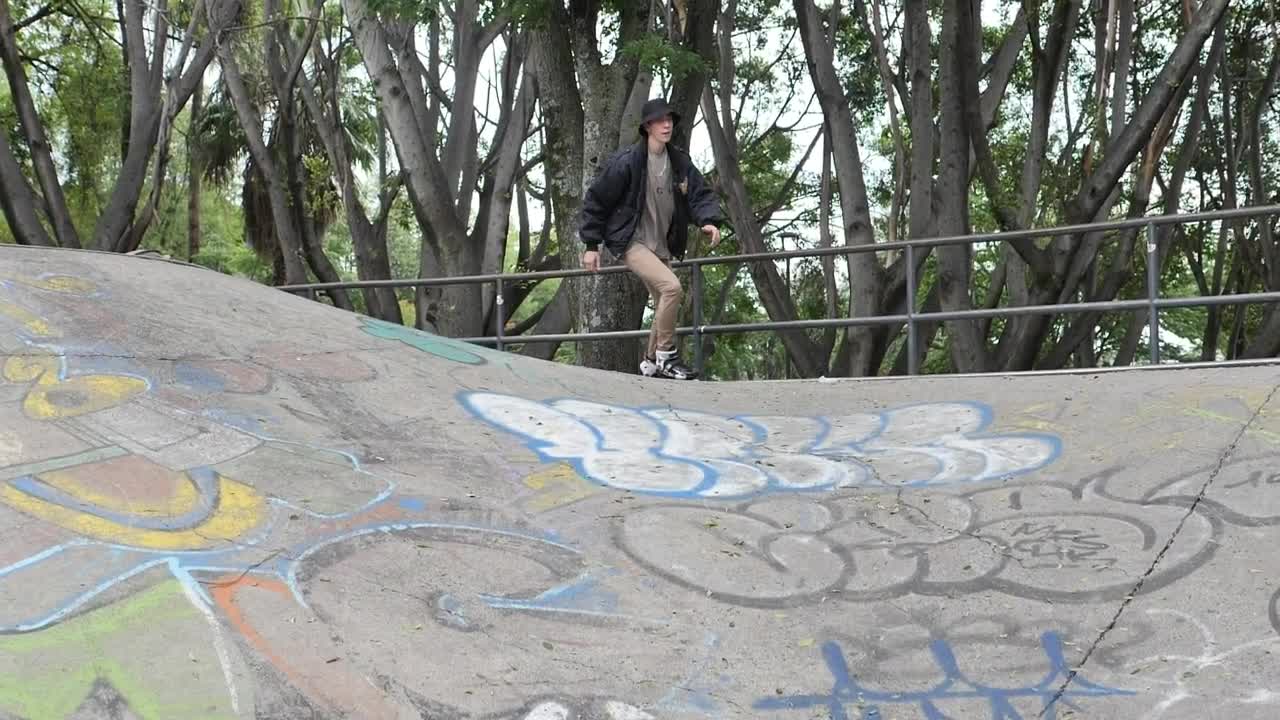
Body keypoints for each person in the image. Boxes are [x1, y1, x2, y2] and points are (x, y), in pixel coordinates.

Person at [578, 97, 724, 380]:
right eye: (660, 121)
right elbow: (597, 200)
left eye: (669, 120)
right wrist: (591, 245)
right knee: (672, 288)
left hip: (661, 243)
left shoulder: (679, 162)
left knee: (663, 299)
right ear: (647, 127)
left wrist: (708, 221)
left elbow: (700, 193)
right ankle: (666, 355)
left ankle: (650, 362)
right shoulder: (626, 162)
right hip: (632, 241)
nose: (666, 125)